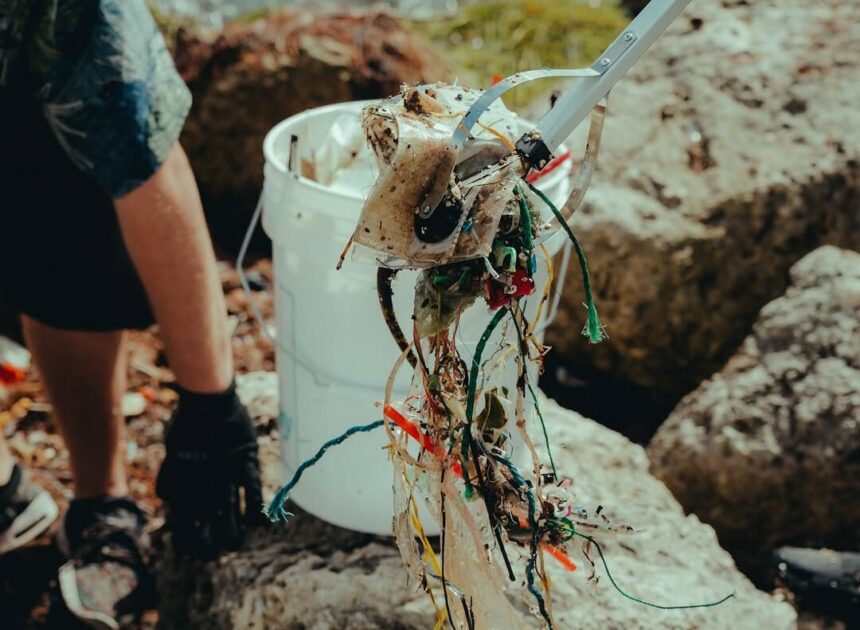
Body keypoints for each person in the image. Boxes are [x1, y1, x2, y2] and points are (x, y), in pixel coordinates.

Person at [0, 1, 264, 627]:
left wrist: (210, 405)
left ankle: (102, 507)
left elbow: (142, 155)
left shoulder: (65, 16)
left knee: (64, 205)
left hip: (36, 87)